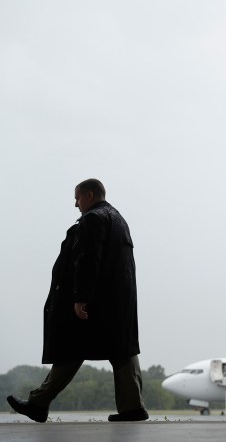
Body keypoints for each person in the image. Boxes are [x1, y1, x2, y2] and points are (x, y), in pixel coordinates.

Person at [7, 179, 148, 423]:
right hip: (116, 303)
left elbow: (87, 259)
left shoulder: (94, 219)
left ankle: (39, 403)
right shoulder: (118, 219)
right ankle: (132, 407)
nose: (75, 204)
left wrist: (81, 297)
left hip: (95, 303)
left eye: (78, 198)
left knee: (72, 347)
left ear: (90, 195)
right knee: (122, 350)